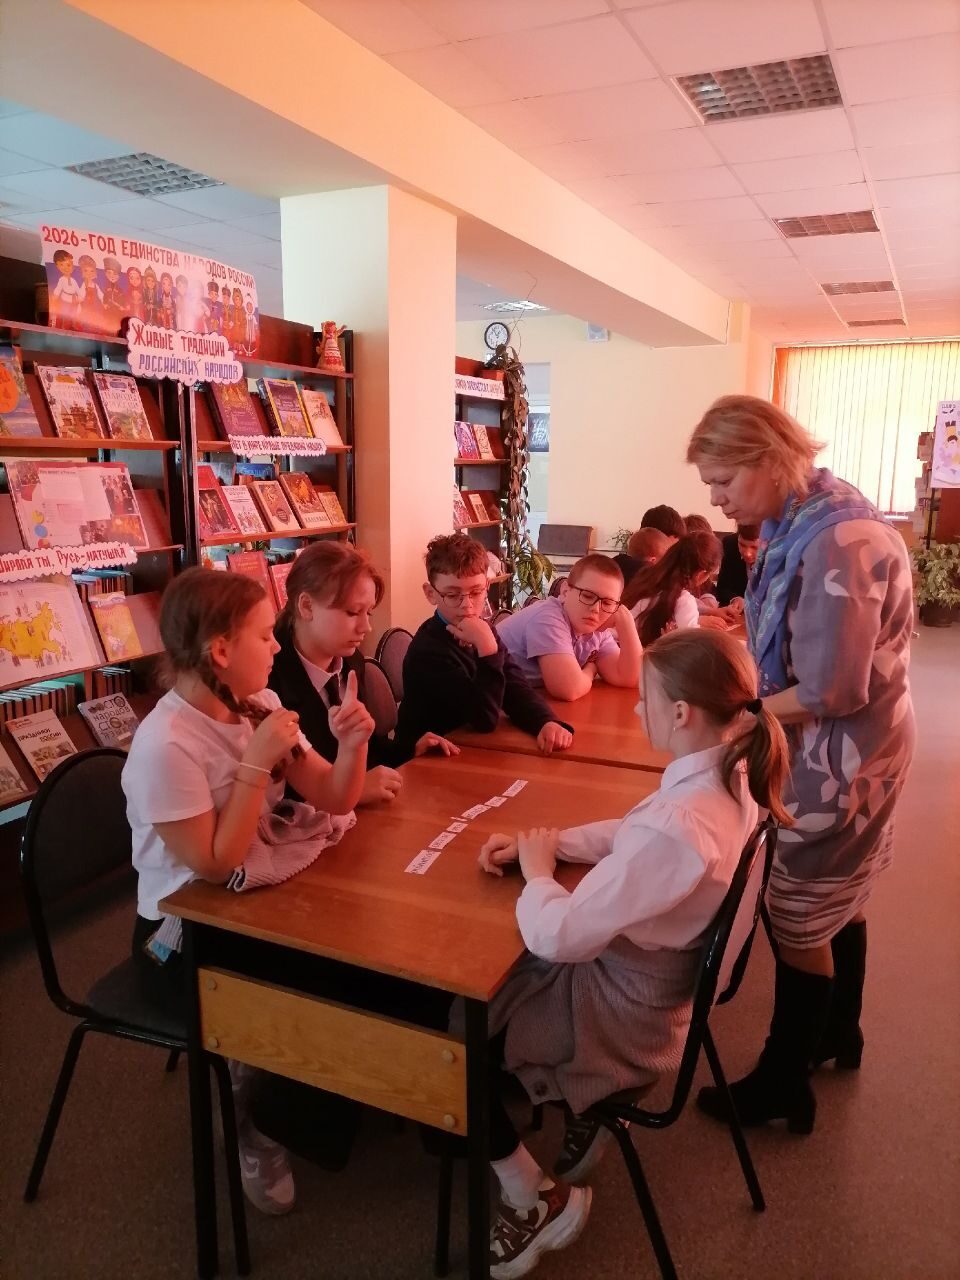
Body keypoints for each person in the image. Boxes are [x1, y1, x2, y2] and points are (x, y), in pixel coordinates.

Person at [476, 629, 791, 1279]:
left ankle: (532, 1198)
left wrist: (538, 873)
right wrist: (554, 843)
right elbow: (633, 833)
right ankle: (575, 1111)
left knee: (452, 1032)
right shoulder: (730, 774)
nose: (636, 708)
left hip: (624, 1013)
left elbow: (557, 936)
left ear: (681, 712)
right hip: (661, 988)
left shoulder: (680, 826)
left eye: (645, 698)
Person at [687, 394, 916, 1133]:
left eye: (724, 481)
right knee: (842, 894)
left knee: (796, 910)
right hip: (862, 742)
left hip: (841, 753)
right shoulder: (817, 511)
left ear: (767, 458)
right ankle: (837, 1033)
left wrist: (743, 715)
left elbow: (830, 690)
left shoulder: (834, 543)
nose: (717, 501)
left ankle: (784, 1079)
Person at [122, 568, 374, 1214]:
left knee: (361, 955)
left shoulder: (255, 703)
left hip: (249, 907)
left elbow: (334, 795)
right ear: (220, 651)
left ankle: (294, 1099)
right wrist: (256, 763)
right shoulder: (164, 745)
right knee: (321, 986)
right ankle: (259, 1123)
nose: (277, 645)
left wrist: (353, 745)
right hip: (180, 937)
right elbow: (214, 864)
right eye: (265, 635)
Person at [269, 540, 459, 804]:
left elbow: (365, 743)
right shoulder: (269, 679)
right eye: (353, 612)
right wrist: (354, 791)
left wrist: (408, 750)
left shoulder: (350, 660)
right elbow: (277, 787)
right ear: (307, 606)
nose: (366, 627)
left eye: (368, 612)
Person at [396, 533, 574, 754]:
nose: (467, 605)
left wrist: (545, 721)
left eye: (476, 592)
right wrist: (488, 650)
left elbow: (513, 685)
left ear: (487, 586)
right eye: (452, 595)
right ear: (430, 593)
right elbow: (484, 719)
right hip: (425, 758)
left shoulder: (482, 628)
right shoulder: (428, 651)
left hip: (469, 747)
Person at [497, 553, 642, 702]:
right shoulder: (548, 617)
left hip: (517, 700)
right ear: (565, 591)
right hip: (490, 697)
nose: (596, 609)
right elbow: (568, 689)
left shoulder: (597, 630)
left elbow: (629, 678)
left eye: (607, 603)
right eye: (587, 596)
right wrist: (591, 669)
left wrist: (626, 624)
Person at [622, 531, 722, 645]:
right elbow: (691, 647)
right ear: (701, 574)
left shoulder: (646, 576)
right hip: (641, 652)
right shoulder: (683, 600)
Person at [715, 523, 761, 607]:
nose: (747, 554)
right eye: (742, 545)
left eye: (754, 547)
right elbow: (722, 588)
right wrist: (735, 599)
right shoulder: (730, 544)